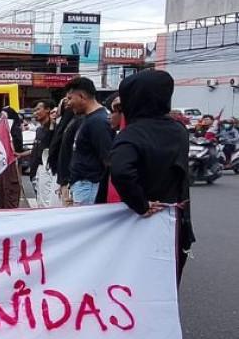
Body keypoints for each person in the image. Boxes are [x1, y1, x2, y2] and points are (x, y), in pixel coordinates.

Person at [110, 70, 194, 285]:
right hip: (176, 220)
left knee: (136, 282)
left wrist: (141, 204)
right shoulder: (179, 130)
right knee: (166, 282)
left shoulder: (132, 134)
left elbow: (121, 171)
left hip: (142, 220)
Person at [65, 77, 114, 205]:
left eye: (70, 98)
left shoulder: (99, 121)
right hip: (82, 185)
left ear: (82, 96)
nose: (68, 103)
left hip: (89, 186)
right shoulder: (88, 119)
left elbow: (108, 159)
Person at [0, 107, 27, 209]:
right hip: (0, 165)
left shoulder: (15, 129)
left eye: (4, 116)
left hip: (11, 164)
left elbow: (17, 148)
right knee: (0, 189)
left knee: (10, 189)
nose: (1, 118)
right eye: (0, 116)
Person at [29, 99, 56, 181]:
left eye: (38, 109)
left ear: (48, 109)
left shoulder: (55, 129)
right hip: (35, 173)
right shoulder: (39, 130)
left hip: (48, 174)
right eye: (34, 111)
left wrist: (52, 126)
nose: (35, 113)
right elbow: (37, 149)